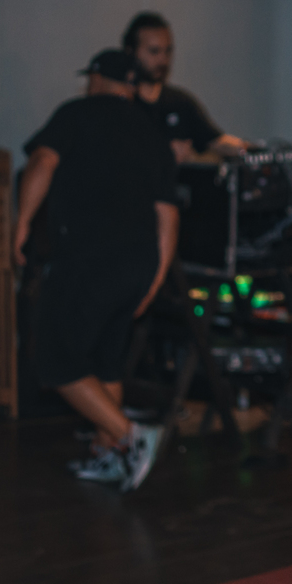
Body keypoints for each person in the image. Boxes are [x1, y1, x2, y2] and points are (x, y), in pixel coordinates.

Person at [14, 49, 179, 492]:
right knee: (106, 361)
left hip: (87, 260)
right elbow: (167, 209)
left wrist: (22, 222)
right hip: (138, 264)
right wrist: (158, 272)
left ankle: (131, 437)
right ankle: (111, 457)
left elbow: (43, 162)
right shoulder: (151, 130)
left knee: (54, 358)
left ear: (96, 79)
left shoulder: (75, 114)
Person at [121, 12, 250, 162]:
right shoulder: (123, 104)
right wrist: (165, 154)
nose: (163, 60)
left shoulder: (180, 102)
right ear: (131, 52)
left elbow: (215, 140)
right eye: (154, 51)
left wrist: (248, 148)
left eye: (168, 51)